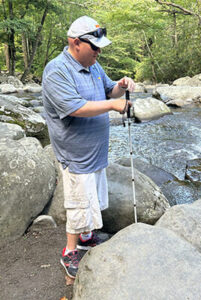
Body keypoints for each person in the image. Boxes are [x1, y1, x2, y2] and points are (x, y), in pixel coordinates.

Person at [42, 15, 135, 279]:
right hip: (75, 154)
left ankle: (86, 236)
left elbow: (109, 91)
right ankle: (70, 252)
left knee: (91, 198)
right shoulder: (56, 70)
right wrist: (113, 106)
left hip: (95, 152)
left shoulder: (93, 64)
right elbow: (75, 107)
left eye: (100, 46)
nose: (99, 51)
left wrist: (121, 85)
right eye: (95, 47)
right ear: (75, 43)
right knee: (78, 204)